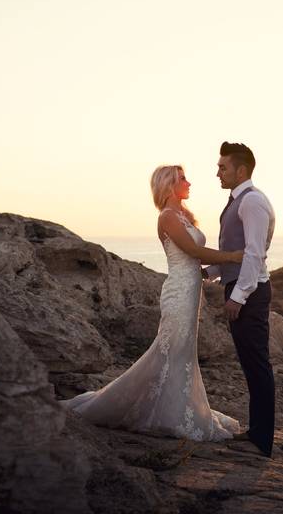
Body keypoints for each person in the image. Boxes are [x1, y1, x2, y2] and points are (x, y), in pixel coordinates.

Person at [59, 165, 243, 442]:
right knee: (171, 350)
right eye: (183, 179)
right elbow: (193, 251)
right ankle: (163, 412)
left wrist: (209, 273)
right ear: (169, 185)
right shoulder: (168, 217)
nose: (189, 182)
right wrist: (232, 257)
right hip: (179, 292)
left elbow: (194, 260)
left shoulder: (184, 215)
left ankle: (179, 407)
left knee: (182, 352)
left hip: (191, 290)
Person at [204, 142, 276, 457]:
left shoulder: (253, 202)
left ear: (241, 170)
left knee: (258, 364)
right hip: (241, 288)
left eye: (223, 167)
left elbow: (254, 253)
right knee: (249, 363)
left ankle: (263, 439)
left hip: (251, 294)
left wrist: (238, 295)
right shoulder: (238, 201)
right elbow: (237, 249)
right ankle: (256, 431)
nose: (217, 172)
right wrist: (210, 271)